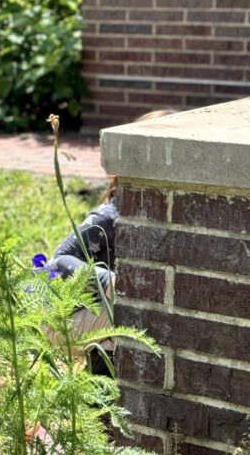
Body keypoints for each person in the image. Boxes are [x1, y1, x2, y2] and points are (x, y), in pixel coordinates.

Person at [37, 109, 177, 375]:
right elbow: (59, 258)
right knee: (129, 298)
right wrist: (107, 281)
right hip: (64, 320)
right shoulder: (111, 215)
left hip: (98, 317)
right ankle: (100, 385)